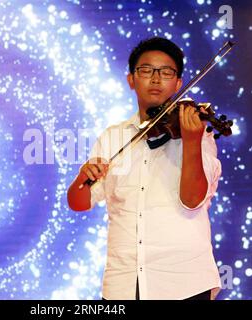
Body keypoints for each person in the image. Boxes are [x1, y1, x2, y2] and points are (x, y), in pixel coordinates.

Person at [67, 37, 222, 300]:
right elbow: (79, 202)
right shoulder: (112, 137)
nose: (156, 78)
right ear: (131, 80)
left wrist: (192, 141)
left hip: (184, 282)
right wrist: (84, 176)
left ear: (178, 83)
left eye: (166, 72)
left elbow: (192, 200)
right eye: (147, 70)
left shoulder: (199, 135)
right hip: (123, 284)